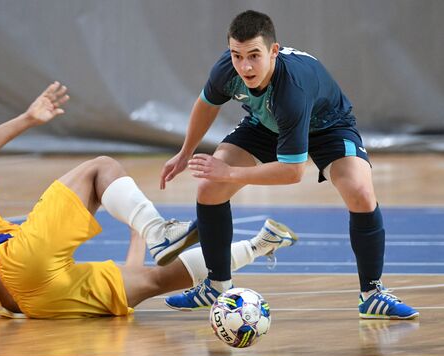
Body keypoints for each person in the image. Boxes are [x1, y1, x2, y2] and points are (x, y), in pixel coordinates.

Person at [0, 81, 296, 319]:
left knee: (154, 279)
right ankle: (156, 231)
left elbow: (133, 272)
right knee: (100, 169)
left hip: (39, 305)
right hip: (24, 272)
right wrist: (29, 118)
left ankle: (258, 245)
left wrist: (137, 234)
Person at [160, 10, 418, 320]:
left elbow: (293, 172)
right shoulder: (227, 69)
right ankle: (216, 286)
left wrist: (229, 172)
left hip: (328, 126)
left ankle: (373, 294)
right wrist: (186, 152)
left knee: (360, 191)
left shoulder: (291, 89)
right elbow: (206, 104)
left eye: (254, 55)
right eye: (237, 55)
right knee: (209, 187)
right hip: (267, 124)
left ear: (273, 51)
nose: (245, 66)